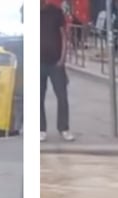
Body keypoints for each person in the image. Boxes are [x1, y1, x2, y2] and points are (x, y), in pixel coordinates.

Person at [41, 0, 75, 142]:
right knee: (37, 98)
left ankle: (64, 128)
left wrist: (63, 58)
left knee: (62, 96)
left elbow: (63, 36)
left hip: (55, 62)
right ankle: (41, 129)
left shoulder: (56, 12)